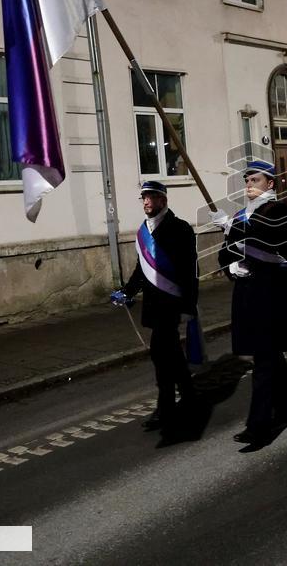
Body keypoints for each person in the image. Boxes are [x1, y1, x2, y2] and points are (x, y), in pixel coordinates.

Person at [213, 160, 287, 448]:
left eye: (256, 180)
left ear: (270, 183)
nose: (249, 184)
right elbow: (225, 253)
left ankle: (258, 426)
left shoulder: (278, 210)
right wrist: (231, 266)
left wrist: (230, 227)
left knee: (263, 360)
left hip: (269, 295)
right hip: (247, 294)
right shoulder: (242, 215)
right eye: (247, 180)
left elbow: (266, 238)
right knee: (269, 354)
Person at [112, 181, 199, 441]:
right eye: (144, 197)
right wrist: (128, 291)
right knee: (172, 355)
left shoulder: (180, 228)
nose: (146, 201)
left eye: (151, 197)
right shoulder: (144, 231)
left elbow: (190, 272)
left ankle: (165, 408)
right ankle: (189, 396)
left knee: (161, 356)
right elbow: (142, 269)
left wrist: (188, 306)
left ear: (163, 200)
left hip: (171, 304)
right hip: (154, 304)